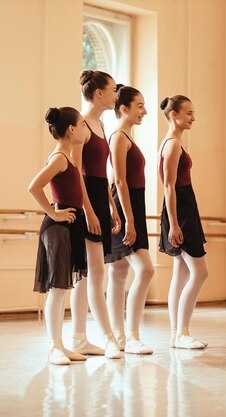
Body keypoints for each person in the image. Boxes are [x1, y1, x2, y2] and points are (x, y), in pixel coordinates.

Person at [29, 107, 89, 365]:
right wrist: (54, 214)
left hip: (71, 225)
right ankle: (54, 347)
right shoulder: (59, 158)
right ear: (72, 129)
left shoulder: (69, 156)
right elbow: (33, 186)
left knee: (63, 288)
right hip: (58, 228)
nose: (86, 130)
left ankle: (61, 345)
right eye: (83, 125)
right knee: (57, 288)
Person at [71, 70, 122, 359]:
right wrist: (88, 210)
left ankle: (79, 337)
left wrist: (111, 207)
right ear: (99, 93)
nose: (116, 94)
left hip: (100, 199)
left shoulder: (101, 124)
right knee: (96, 273)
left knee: (86, 274)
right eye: (113, 89)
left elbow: (101, 173)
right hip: (85, 201)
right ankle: (108, 337)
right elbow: (77, 172)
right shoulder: (80, 124)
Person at [104, 84, 154, 354]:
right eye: (140, 106)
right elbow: (119, 180)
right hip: (125, 206)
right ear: (123, 108)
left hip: (132, 203)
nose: (144, 111)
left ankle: (120, 336)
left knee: (119, 271)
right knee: (145, 269)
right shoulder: (118, 137)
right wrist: (129, 220)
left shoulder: (127, 137)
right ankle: (131, 336)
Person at [159, 95, 209, 349]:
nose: (193, 117)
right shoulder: (173, 145)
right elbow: (168, 185)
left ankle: (176, 333)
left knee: (181, 272)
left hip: (183, 207)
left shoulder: (174, 143)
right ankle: (182, 332)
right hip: (181, 210)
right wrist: (175, 223)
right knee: (200, 272)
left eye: (193, 112)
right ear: (174, 115)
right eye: (188, 113)